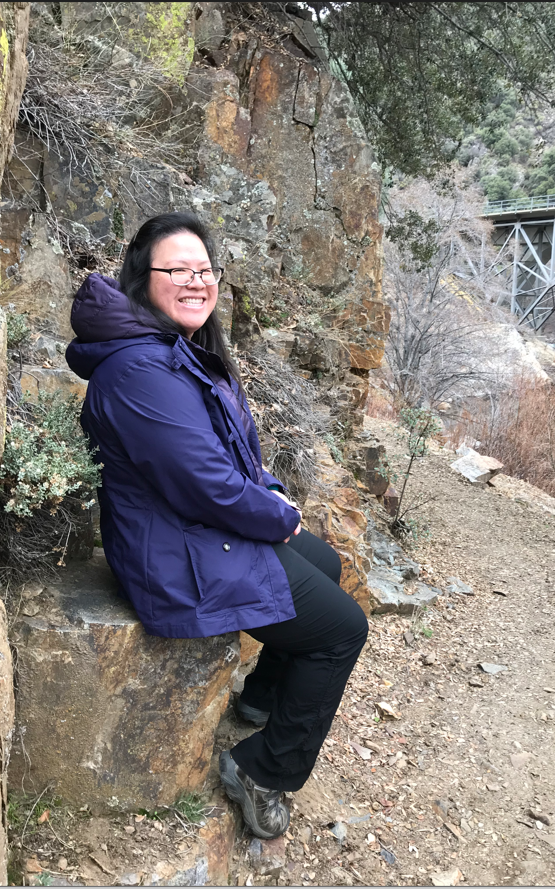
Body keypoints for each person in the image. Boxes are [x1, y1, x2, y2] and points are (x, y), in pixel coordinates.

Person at [66, 211, 368, 839]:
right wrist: (277, 517)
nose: (195, 281)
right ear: (140, 279)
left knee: (330, 566)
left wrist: (273, 496)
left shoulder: (172, 351)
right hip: (176, 548)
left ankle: (258, 702)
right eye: (177, 270)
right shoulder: (139, 372)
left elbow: (230, 453)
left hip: (196, 529)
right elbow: (204, 483)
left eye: (204, 270)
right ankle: (264, 770)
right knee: (342, 629)